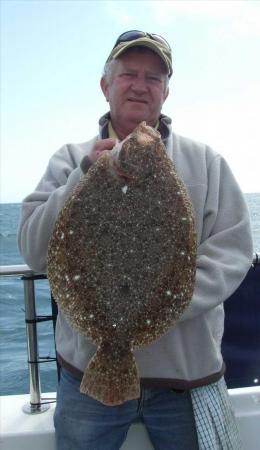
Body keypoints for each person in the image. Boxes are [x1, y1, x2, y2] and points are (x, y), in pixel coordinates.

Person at [18, 30, 253, 450]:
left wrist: (157, 305)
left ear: (166, 91)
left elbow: (231, 255)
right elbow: (35, 253)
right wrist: (83, 177)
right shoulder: (71, 159)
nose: (140, 85)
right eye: (129, 74)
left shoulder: (206, 162)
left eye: (154, 77)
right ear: (106, 85)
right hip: (87, 377)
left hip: (185, 380)